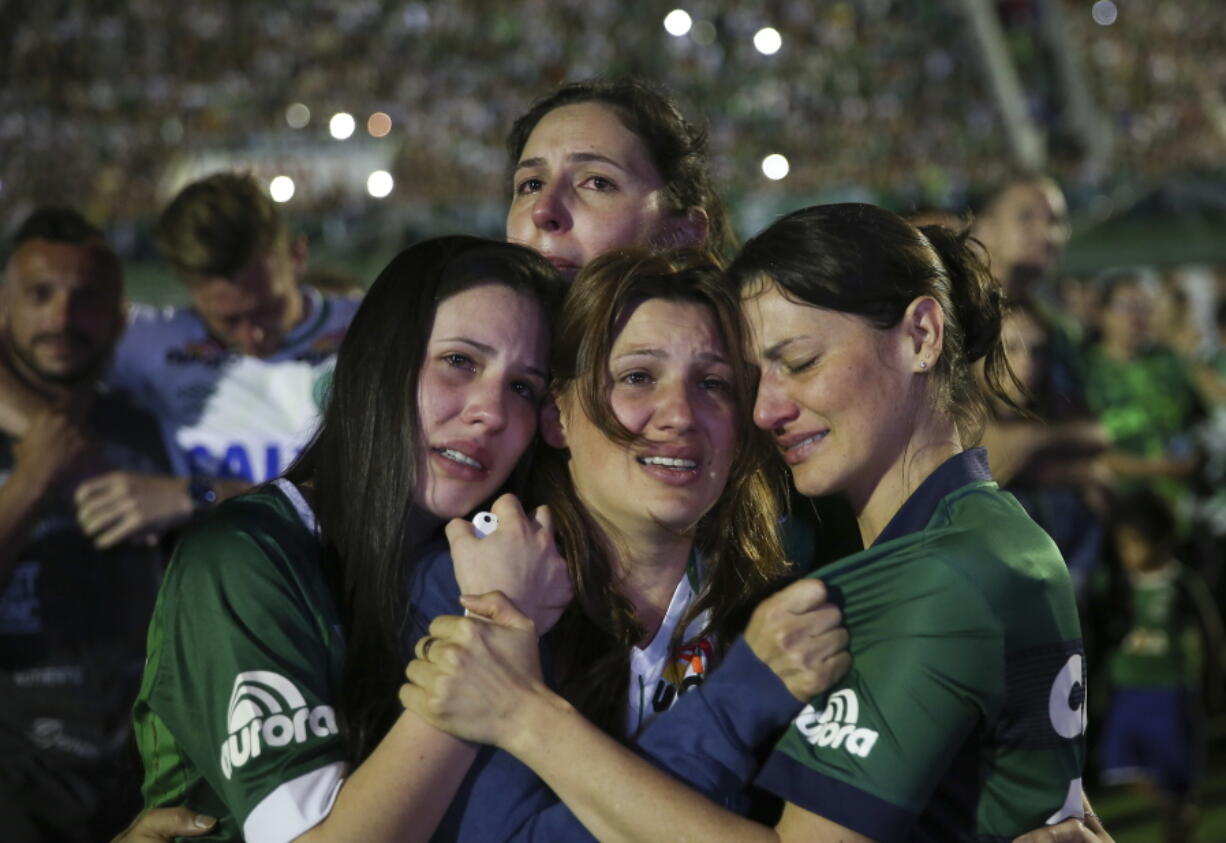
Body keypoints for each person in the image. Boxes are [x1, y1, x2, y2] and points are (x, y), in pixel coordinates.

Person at [403, 204, 1091, 841]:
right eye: (637, 376)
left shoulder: (882, 585)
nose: (766, 410)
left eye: (796, 363)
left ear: (922, 334)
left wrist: (526, 716)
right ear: (557, 411)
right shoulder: (478, 582)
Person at [133, 236, 570, 841]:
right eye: (460, 362)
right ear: (379, 358)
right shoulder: (244, 555)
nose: (490, 411)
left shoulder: (512, 558)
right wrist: (495, 632)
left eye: (523, 387)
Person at [0, 173, 361, 549]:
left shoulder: (372, 328)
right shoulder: (150, 339)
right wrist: (44, 434)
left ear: (298, 256)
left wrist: (197, 494)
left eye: (268, 309)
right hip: (224, 586)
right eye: (229, 320)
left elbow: (381, 504)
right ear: (187, 284)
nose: (253, 335)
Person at [0, 208, 169, 841]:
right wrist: (33, 480)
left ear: (121, 315)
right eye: (40, 295)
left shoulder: (145, 428)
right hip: (17, 788)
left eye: (87, 298)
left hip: (139, 775)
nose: (62, 319)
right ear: (2, 306)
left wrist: (191, 495)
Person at [1099, 489, 1223, 843]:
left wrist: (1212, 680)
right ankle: (1175, 805)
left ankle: (1177, 816)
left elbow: (1210, 632)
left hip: (1170, 688)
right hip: (1129, 690)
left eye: (1133, 543)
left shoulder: (1181, 584)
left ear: (1159, 540)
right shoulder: (1119, 586)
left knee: (1174, 769)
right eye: (1122, 544)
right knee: (1119, 765)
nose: (1126, 553)